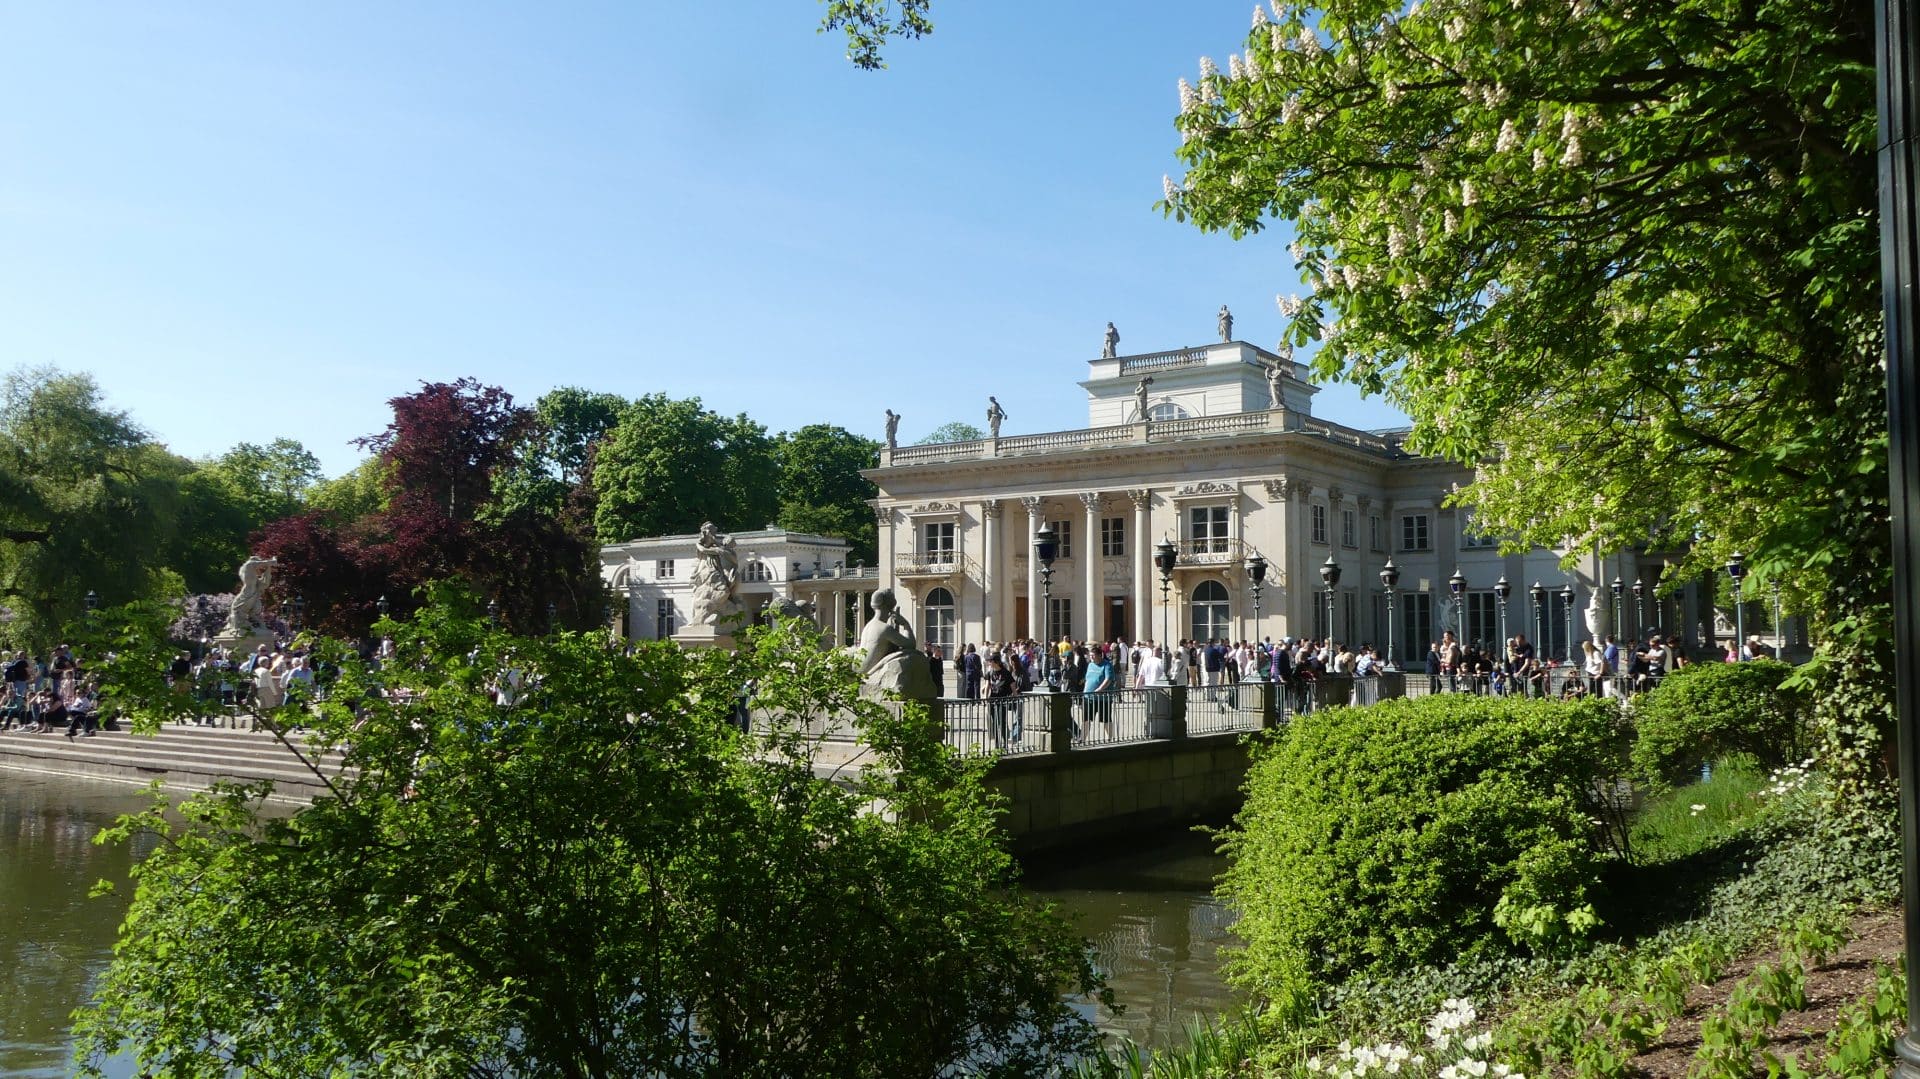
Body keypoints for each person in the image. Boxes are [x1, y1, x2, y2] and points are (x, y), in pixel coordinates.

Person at [1082, 646, 1115, 730]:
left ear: (1100, 655)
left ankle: (1111, 739)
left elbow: (1108, 679)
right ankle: (1082, 740)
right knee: (1086, 720)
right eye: (1090, 655)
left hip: (1103, 698)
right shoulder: (1090, 665)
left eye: (1093, 655)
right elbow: (1087, 679)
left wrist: (1099, 689)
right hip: (1088, 697)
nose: (1091, 657)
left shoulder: (1107, 665)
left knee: (1106, 720)